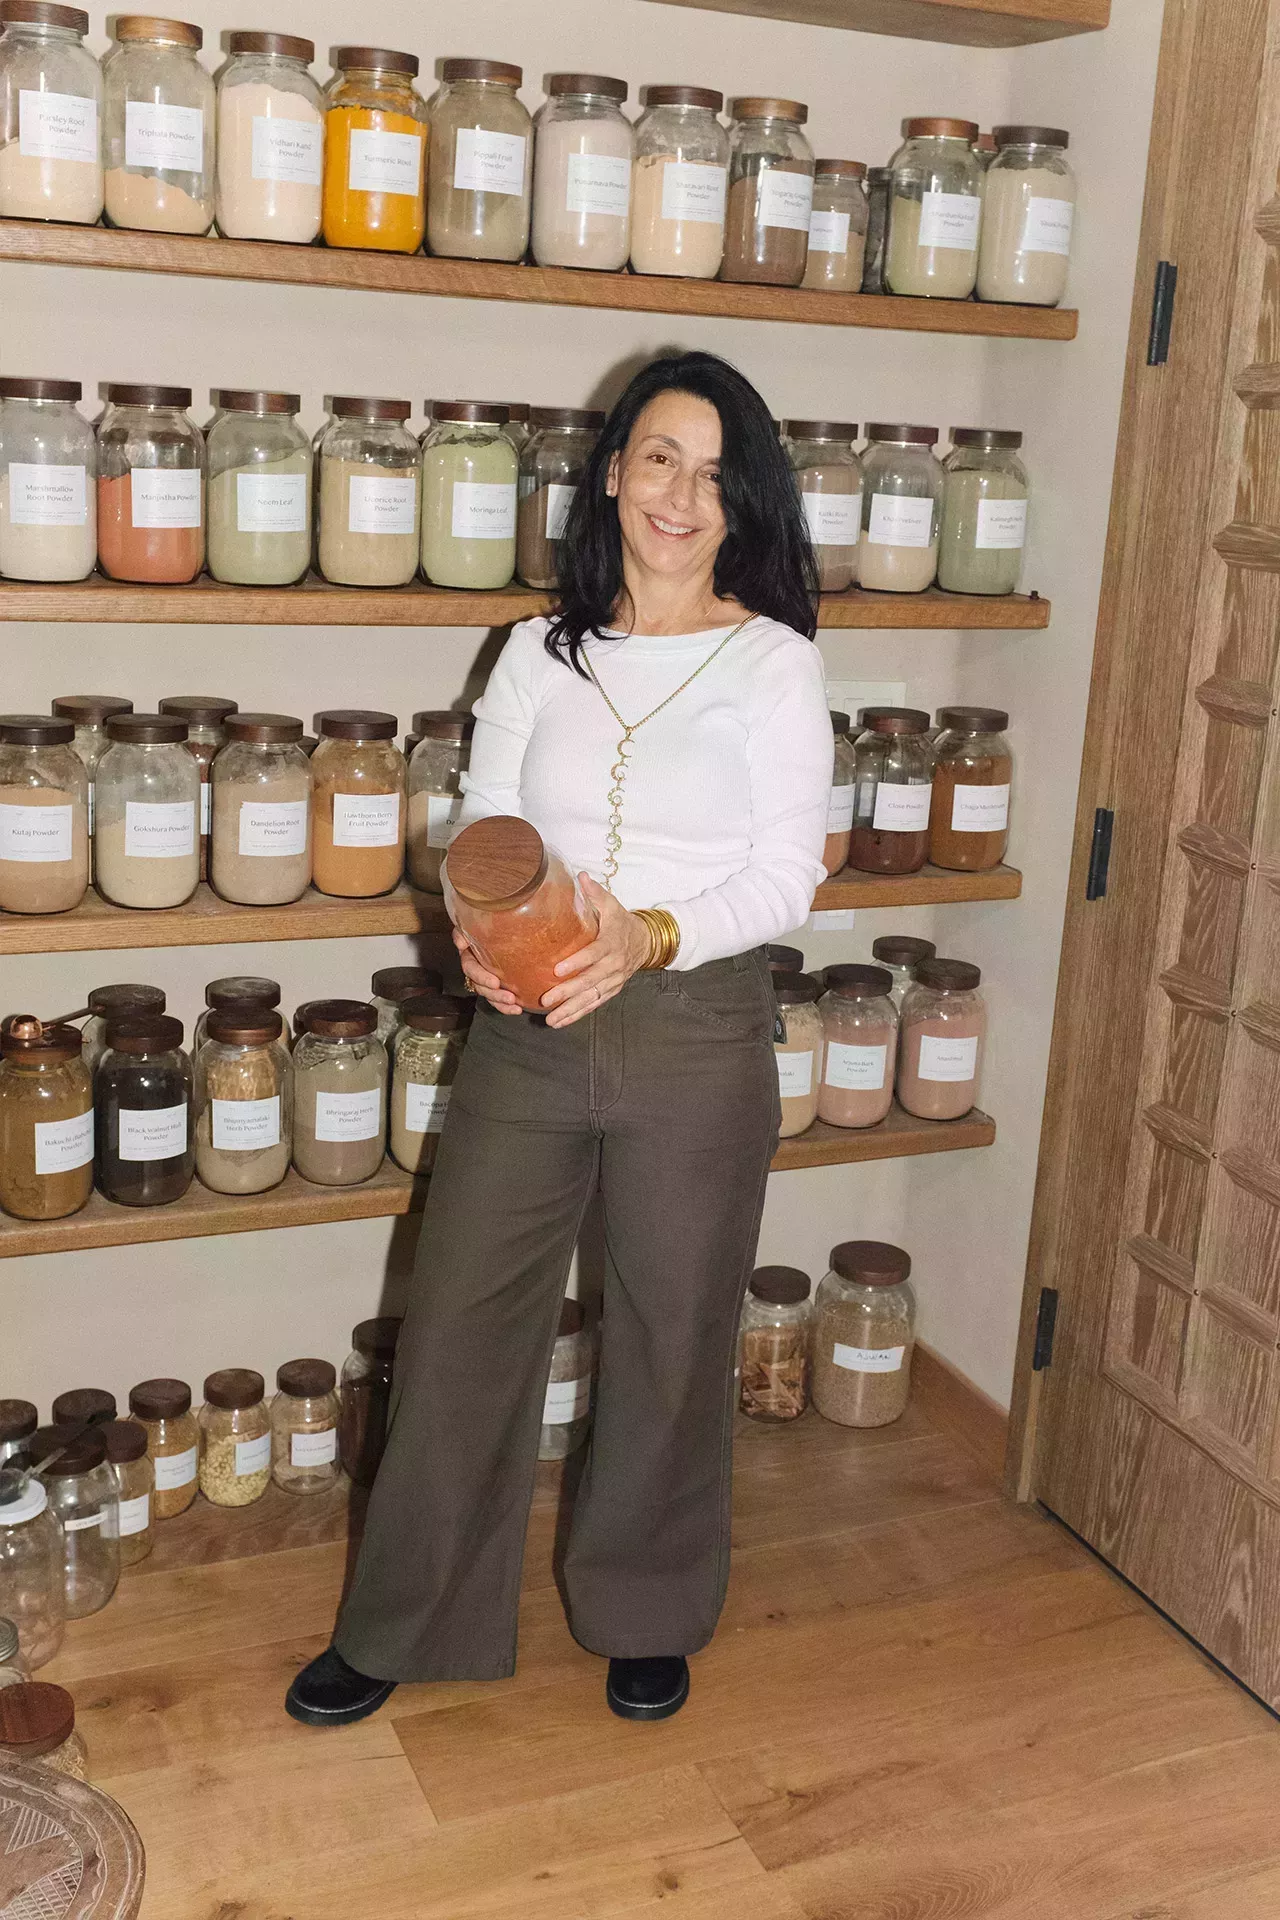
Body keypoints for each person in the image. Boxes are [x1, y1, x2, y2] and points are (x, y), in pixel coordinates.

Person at [286, 350, 833, 1729]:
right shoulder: (539, 649)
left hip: (697, 1029)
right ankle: (404, 1618)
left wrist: (646, 935)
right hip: (529, 1033)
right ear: (612, 471)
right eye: (660, 457)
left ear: (743, 504)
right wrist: (474, 926)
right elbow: (481, 824)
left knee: (669, 1329)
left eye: (716, 474)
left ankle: (645, 1605)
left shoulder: (773, 662)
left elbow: (786, 878)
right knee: (463, 1319)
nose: (682, 494)